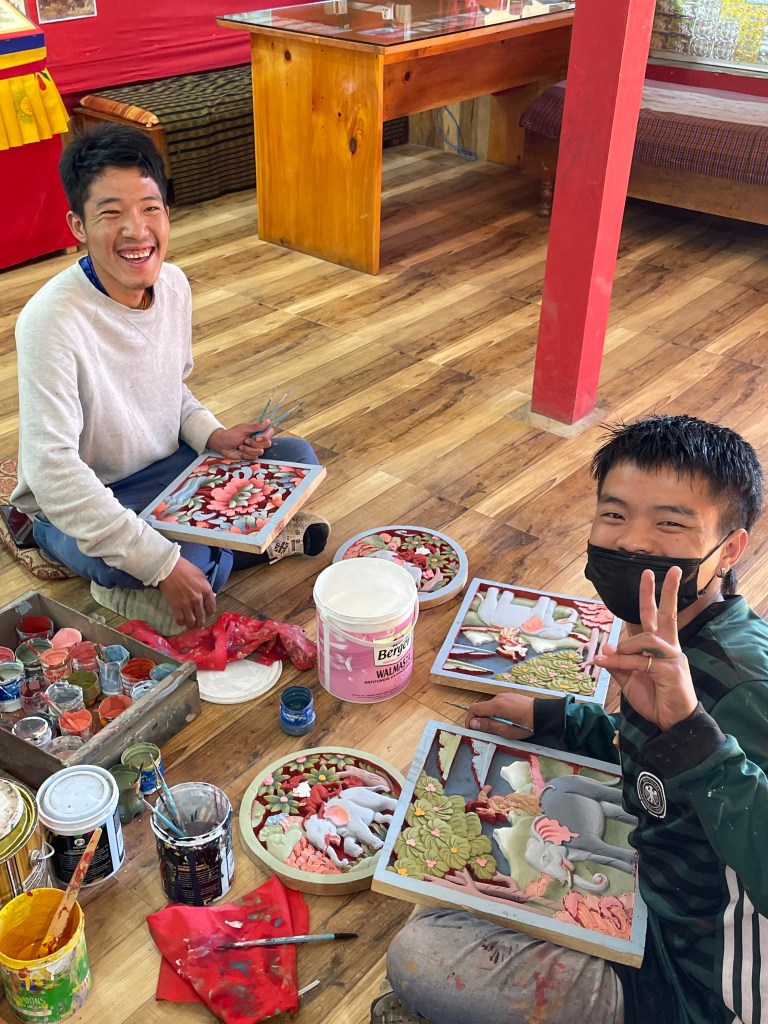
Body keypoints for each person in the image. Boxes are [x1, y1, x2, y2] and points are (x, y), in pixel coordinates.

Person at [374, 415, 767, 1024]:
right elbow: (655, 767)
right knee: (446, 862)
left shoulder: (746, 686)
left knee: (421, 955)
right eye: (614, 514)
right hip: (652, 884)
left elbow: (707, 771)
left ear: (730, 550)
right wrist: (560, 717)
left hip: (693, 987)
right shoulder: (667, 635)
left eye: (669, 523)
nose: (631, 542)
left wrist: (695, 736)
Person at [12, 124, 329, 636]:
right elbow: (54, 473)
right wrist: (163, 563)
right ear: (78, 226)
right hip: (88, 497)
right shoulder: (50, 320)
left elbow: (171, 389)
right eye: (111, 213)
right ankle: (177, 569)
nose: (136, 231)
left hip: (166, 470)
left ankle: (187, 572)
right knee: (185, 554)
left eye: (150, 208)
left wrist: (212, 435)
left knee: (296, 459)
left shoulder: (174, 285)